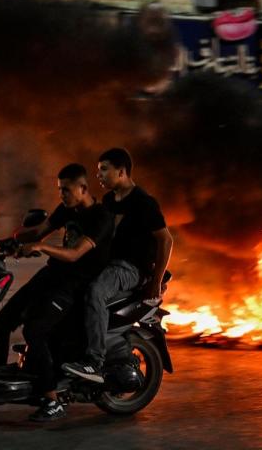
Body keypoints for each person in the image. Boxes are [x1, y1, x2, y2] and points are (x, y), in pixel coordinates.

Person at [0, 163, 113, 422]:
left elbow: (74, 254)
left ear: (83, 188)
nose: (62, 195)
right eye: (59, 190)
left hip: (74, 285)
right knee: (2, 321)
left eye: (66, 190)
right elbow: (38, 231)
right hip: (52, 275)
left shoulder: (101, 217)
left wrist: (41, 247)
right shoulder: (67, 209)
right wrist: (1, 242)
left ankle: (52, 401)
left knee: (34, 330)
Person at [62, 147, 174, 384]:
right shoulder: (108, 200)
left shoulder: (144, 203)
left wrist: (155, 280)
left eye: (104, 170)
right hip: (108, 263)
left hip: (131, 268)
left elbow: (165, 239)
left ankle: (94, 361)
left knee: (96, 292)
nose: (99, 176)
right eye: (98, 170)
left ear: (121, 172)